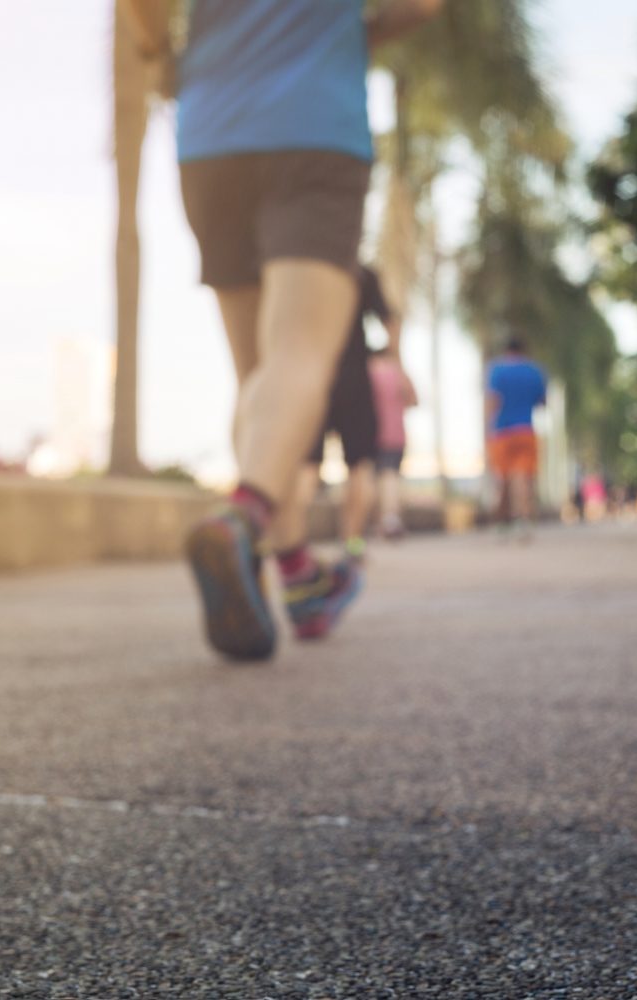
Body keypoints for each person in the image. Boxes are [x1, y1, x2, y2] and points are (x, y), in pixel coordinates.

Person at [174, 0, 446, 661]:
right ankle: (241, 518)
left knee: (256, 377)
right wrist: (356, 33)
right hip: (313, 130)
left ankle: (297, 575)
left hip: (212, 133)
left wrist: (160, 52)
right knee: (299, 358)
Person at [286, 264, 401, 568]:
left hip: (312, 377)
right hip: (354, 381)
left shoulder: (300, 271)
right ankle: (352, 544)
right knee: (360, 467)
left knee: (308, 467)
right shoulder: (360, 273)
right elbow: (391, 321)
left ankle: (291, 546)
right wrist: (389, 355)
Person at [485, 337, 548, 536]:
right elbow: (542, 402)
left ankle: (501, 522)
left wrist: (488, 428)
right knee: (522, 477)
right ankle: (522, 519)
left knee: (502, 479)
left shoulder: (497, 370)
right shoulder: (535, 371)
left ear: (506, 350)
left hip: (501, 432)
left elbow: (493, 400)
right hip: (525, 430)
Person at [368, 343, 418, 541]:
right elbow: (413, 401)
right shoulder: (399, 374)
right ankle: (389, 519)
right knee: (392, 476)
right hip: (397, 432)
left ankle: (387, 521)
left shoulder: (369, 372)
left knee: (379, 477)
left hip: (373, 433)